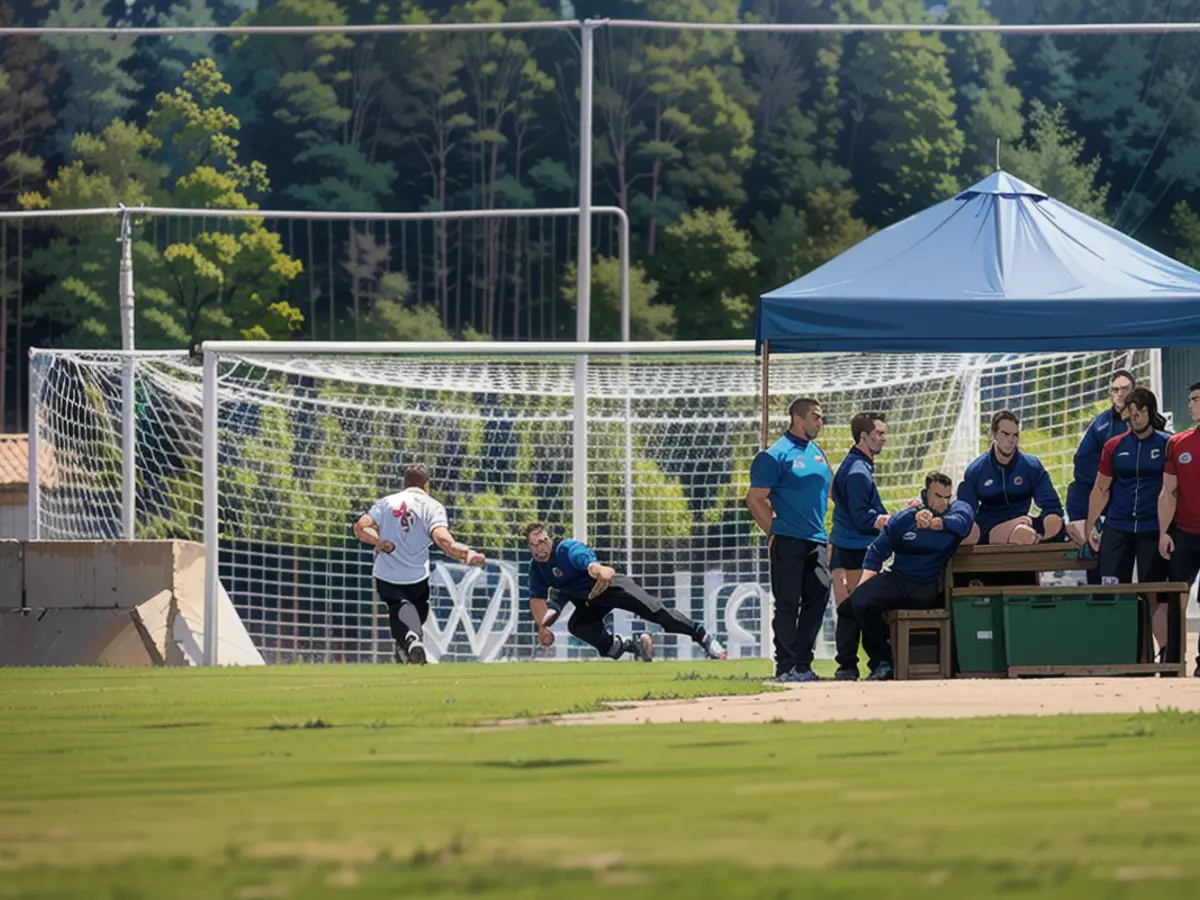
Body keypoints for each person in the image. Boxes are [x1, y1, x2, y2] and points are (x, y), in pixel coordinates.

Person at [523, 522, 727, 662]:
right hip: (589, 602)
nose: (540, 548)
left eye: (543, 541)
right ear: (530, 548)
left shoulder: (566, 550)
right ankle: (633, 646)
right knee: (578, 625)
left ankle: (704, 638)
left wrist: (600, 571)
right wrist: (543, 628)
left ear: (550, 539)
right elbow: (537, 599)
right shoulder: (536, 568)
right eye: (534, 545)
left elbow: (590, 563)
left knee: (658, 614)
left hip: (610, 587)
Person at [840, 472, 975, 681]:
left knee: (864, 604)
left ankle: (887, 660)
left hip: (926, 585)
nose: (943, 502)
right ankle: (856, 666)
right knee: (854, 604)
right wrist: (863, 585)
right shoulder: (905, 518)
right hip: (897, 578)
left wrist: (936, 523)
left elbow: (963, 522)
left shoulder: (958, 510)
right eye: (938, 496)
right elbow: (876, 553)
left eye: (947, 497)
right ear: (925, 494)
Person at [354, 464, 485, 665]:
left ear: (405, 483)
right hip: (417, 578)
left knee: (399, 609)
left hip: (386, 575)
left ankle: (408, 642)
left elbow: (360, 528)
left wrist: (380, 543)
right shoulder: (432, 506)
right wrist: (466, 553)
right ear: (427, 485)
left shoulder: (386, 502)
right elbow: (444, 541)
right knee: (413, 613)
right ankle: (411, 640)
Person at [746, 397, 833, 683]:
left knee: (818, 597)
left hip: (817, 539)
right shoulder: (774, 455)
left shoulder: (817, 452)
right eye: (816, 417)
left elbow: (829, 491)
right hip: (788, 540)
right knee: (787, 603)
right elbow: (755, 499)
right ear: (798, 418)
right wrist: (774, 531)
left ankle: (803, 663)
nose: (820, 422)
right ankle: (785, 666)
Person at [1088, 388, 1172, 652]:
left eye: (1138, 414)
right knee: (1112, 590)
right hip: (1118, 526)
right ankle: (1116, 650)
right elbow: (1100, 488)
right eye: (1130, 415)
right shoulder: (1114, 446)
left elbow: (1173, 489)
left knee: (1153, 594)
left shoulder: (1168, 444)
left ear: (1150, 412)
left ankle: (1164, 654)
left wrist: (1168, 529)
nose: (1133, 419)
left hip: (1151, 527)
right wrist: (1091, 525)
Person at [830, 411, 890, 681]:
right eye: (878, 433)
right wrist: (890, 521)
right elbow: (861, 517)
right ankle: (878, 662)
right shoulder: (857, 470)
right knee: (860, 606)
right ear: (863, 436)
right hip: (854, 547)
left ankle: (848, 665)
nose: (883, 438)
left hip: (844, 544)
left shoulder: (855, 465)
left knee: (850, 607)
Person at [1066, 370, 1135, 583]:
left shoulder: (1149, 424)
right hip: (1105, 504)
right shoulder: (1101, 426)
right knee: (1101, 567)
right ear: (1109, 394)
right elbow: (1082, 464)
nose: (1120, 394)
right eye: (1115, 390)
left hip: (1137, 508)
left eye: (1125, 389)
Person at [958, 410, 1064, 547]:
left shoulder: (1031, 466)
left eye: (1015, 435)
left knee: (1035, 530)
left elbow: (1052, 507)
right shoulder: (976, 470)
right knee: (964, 533)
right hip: (987, 529)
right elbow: (965, 512)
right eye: (1005, 434)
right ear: (992, 435)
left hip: (1021, 525)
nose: (1010, 440)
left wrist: (1045, 534)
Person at [1158, 381, 1200, 677]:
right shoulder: (1178, 443)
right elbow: (1168, 492)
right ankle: (1173, 662)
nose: (1191, 405)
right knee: (1176, 597)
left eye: (1196, 399)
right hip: (1184, 532)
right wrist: (1163, 532)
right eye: (1190, 400)